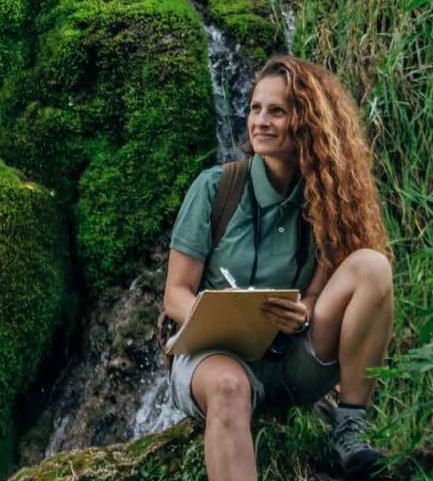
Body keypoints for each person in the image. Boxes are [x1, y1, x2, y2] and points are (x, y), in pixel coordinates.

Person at [162, 54, 396, 481]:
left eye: (277, 111)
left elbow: (317, 293)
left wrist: (303, 312)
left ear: (305, 122)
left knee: (373, 267)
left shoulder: (327, 201)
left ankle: (349, 426)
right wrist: (218, 315)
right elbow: (175, 294)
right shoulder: (216, 188)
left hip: (289, 361)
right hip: (214, 359)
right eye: (255, 109)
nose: (260, 121)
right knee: (229, 386)